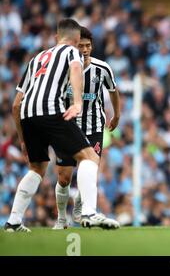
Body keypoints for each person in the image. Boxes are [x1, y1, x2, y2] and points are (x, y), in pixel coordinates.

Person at [4, 18, 119, 232]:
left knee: (37, 169)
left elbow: (15, 104)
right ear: (76, 39)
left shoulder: (37, 58)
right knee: (90, 158)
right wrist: (77, 103)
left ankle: (13, 221)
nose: (82, 48)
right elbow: (76, 71)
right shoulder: (72, 52)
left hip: (28, 113)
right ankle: (89, 213)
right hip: (51, 110)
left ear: (57, 36)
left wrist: (21, 138)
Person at [53, 26, 121, 229]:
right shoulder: (63, 69)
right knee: (64, 178)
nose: (84, 49)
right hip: (68, 127)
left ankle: (83, 210)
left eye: (88, 46)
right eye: (81, 45)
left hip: (93, 127)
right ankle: (61, 219)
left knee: (89, 168)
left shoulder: (102, 68)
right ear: (74, 45)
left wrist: (116, 115)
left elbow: (113, 91)